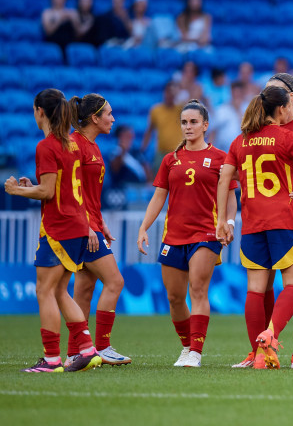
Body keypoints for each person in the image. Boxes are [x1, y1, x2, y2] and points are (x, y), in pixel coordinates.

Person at [216, 86, 293, 370]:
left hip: (253, 223)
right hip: (285, 220)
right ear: (281, 109)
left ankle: (257, 353)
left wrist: (222, 220)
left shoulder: (239, 141)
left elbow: (224, 179)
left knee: (255, 290)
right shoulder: (286, 136)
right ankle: (271, 335)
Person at [3, 89, 102, 372]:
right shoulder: (71, 144)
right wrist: (31, 185)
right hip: (77, 225)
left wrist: (17, 191)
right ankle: (87, 349)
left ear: (39, 111)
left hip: (58, 227)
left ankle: (51, 359)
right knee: (59, 290)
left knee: (44, 290)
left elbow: (47, 191)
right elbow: (57, 187)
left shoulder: (46, 146)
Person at [137, 100, 238, 368]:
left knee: (198, 289)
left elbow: (230, 197)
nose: (188, 127)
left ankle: (196, 351)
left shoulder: (220, 158)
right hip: (174, 236)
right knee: (174, 297)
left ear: (205, 125)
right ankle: (185, 346)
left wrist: (229, 222)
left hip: (207, 234)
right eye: (184, 122)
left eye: (194, 122)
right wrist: (143, 227)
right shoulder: (170, 159)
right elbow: (159, 196)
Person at [65, 94, 131, 367]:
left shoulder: (92, 146)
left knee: (84, 289)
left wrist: (99, 221)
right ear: (94, 118)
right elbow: (70, 192)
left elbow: (89, 193)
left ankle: (75, 352)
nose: (113, 119)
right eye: (109, 114)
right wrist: (88, 225)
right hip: (81, 229)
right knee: (115, 282)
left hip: (91, 226)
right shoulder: (74, 145)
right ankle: (102, 347)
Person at [141, 81, 184, 173]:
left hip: (178, 152)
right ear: (164, 92)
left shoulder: (180, 109)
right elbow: (149, 131)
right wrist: (143, 148)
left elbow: (193, 101)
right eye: (168, 91)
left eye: (172, 92)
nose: (170, 95)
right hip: (161, 153)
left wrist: (178, 92)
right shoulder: (156, 110)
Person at [210, 80, 247, 152]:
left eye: (239, 94)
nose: (237, 96)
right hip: (223, 151)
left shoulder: (249, 108)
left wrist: (238, 110)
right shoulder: (222, 109)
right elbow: (213, 131)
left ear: (243, 93)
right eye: (235, 93)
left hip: (243, 152)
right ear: (231, 93)